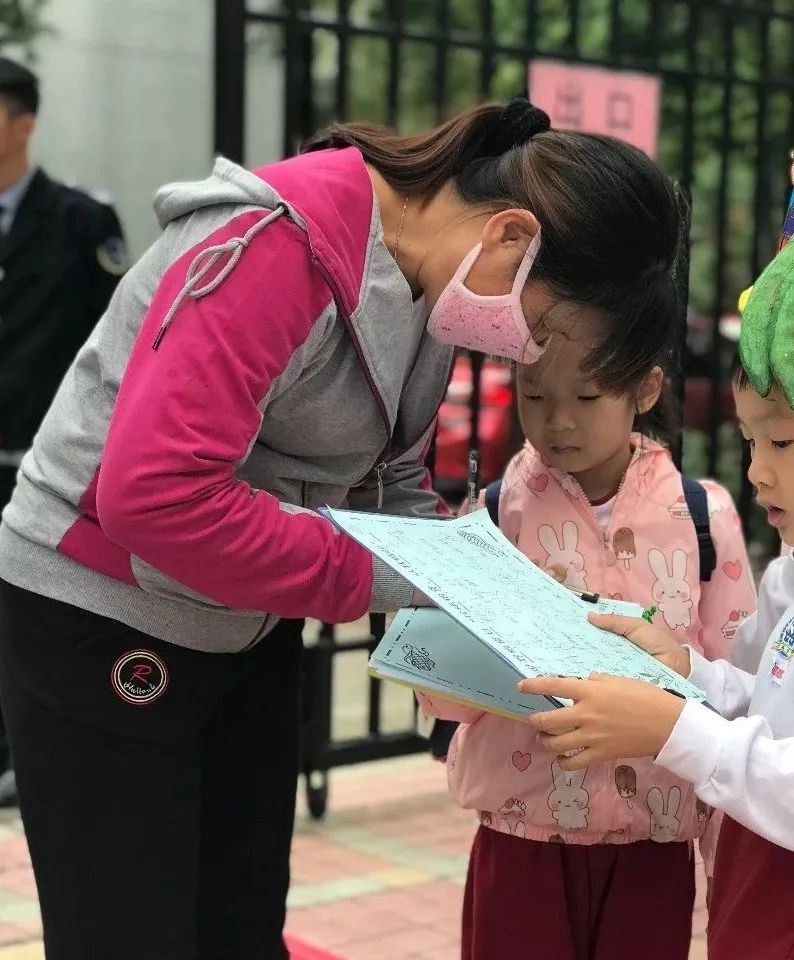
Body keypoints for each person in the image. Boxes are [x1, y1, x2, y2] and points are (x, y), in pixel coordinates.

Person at [0, 97, 689, 959]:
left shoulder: (429, 283)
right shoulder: (276, 248)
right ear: (512, 239)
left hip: (244, 615)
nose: (521, 349)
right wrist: (393, 572)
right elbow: (156, 495)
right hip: (103, 612)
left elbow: (389, 473)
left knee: (241, 918)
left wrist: (489, 584)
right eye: (541, 327)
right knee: (131, 929)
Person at [521, 84, 794, 960]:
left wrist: (673, 733)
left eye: (785, 442)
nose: (756, 470)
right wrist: (687, 674)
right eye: (751, 439)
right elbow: (786, 711)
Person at [419, 330, 756, 959]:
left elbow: (733, 689)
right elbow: (442, 698)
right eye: (535, 395)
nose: (558, 420)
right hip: (522, 835)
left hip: (652, 841)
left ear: (644, 390)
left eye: (587, 395)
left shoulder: (702, 518)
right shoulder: (492, 518)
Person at [0, 57, 127, 808]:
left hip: (42, 459)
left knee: (32, 612)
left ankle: (27, 750)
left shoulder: (81, 221)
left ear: (23, 123)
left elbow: (118, 336)